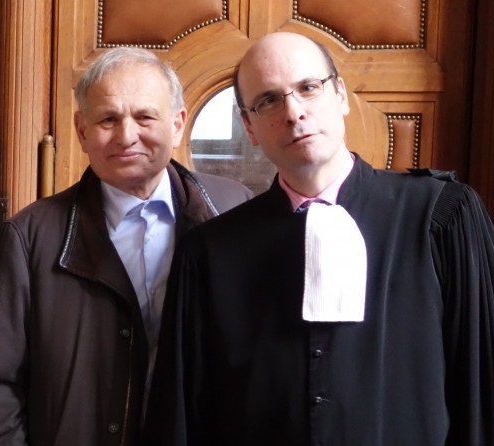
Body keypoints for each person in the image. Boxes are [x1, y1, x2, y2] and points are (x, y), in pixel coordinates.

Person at [148, 31, 494, 445]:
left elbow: (481, 386)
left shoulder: (440, 217)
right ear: (250, 127)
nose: (294, 112)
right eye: (269, 100)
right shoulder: (209, 253)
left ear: (341, 95)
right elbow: (184, 416)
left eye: (309, 88)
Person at [0, 47, 252, 445]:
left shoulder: (234, 210)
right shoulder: (30, 235)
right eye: (108, 119)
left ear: (178, 123)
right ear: (82, 130)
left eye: (145, 116)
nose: (126, 136)